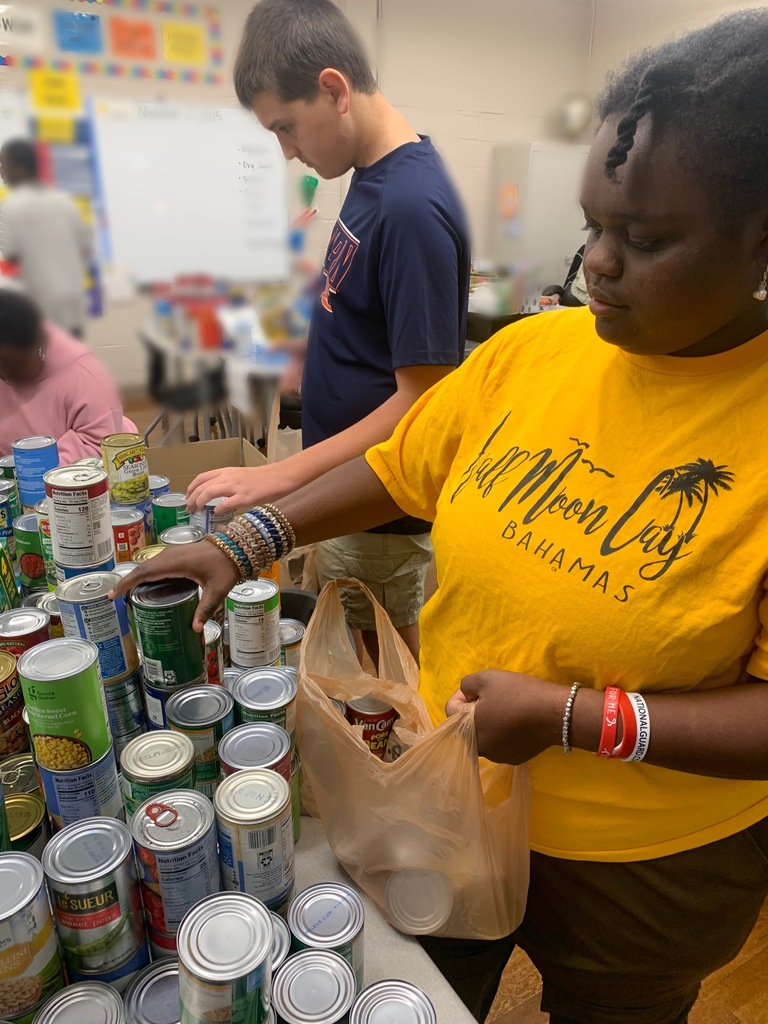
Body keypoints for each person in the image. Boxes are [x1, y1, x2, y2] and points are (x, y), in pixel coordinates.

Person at [114, 10, 768, 1023]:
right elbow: (406, 465)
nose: (598, 262)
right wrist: (244, 538)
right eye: (593, 226)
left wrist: (572, 717)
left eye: (644, 238)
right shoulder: (538, 350)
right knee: (411, 994)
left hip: (645, 873)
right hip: (451, 797)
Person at [186, 0, 470, 664]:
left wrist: (280, 477)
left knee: (377, 681)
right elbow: (369, 319)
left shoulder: (410, 207)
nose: (287, 151)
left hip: (377, 510)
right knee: (338, 655)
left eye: (287, 127)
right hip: (340, 495)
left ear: (334, 90)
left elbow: (424, 400)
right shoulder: (370, 179)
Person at [0, 289, 136, 462]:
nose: (6, 377)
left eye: (17, 365)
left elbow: (97, 445)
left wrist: (33, 469)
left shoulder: (82, 374)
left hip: (83, 474)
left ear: (38, 344)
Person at [0, 139, 92, 338]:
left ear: (19, 168)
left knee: (45, 368)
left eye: (4, 164)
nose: (2, 171)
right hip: (72, 306)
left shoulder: (11, 207)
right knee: (72, 365)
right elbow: (85, 249)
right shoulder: (64, 201)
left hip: (38, 312)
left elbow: (10, 259)